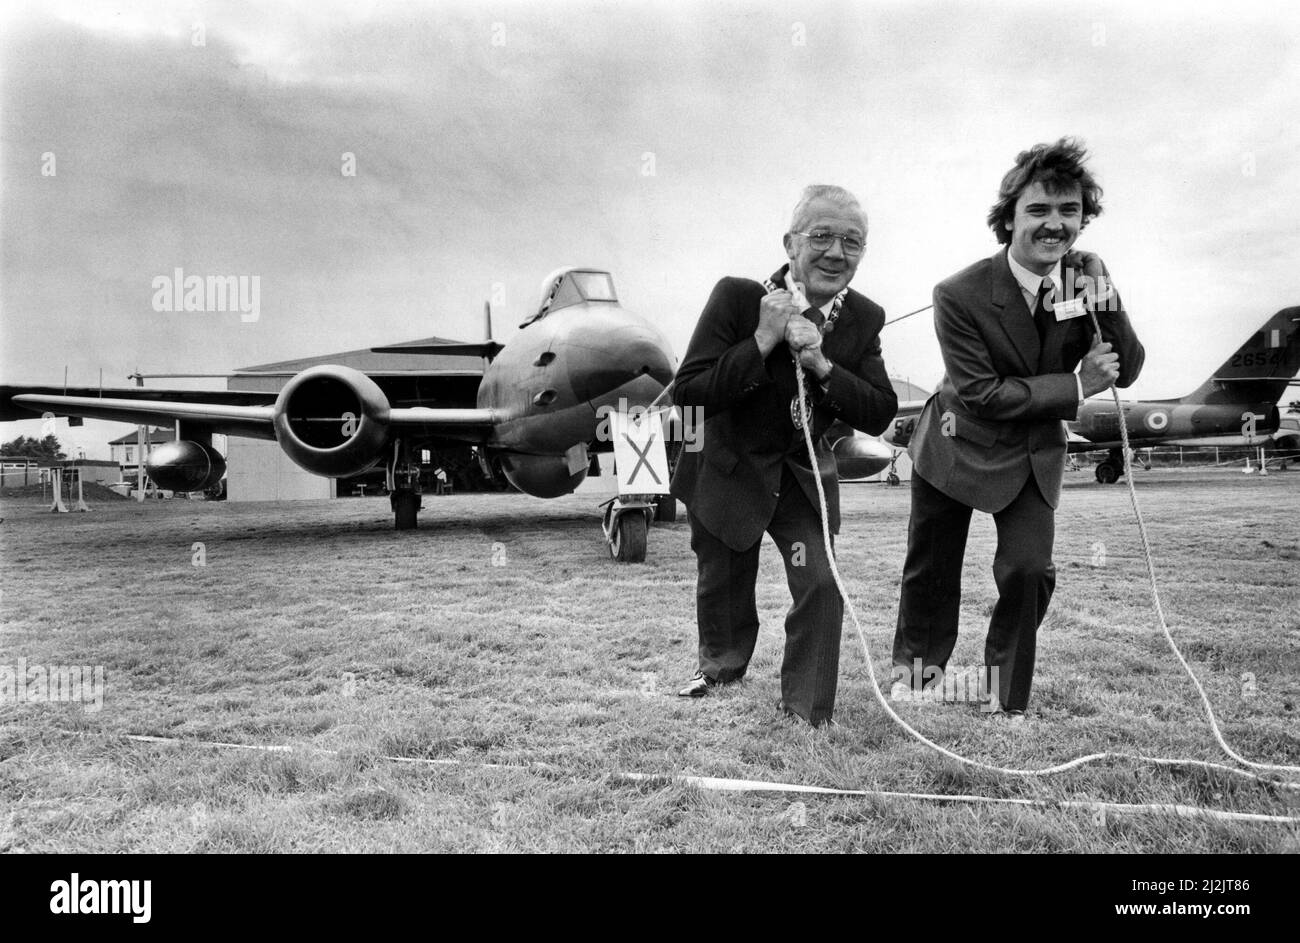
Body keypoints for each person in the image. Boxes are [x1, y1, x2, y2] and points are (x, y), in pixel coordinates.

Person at [891, 138, 1145, 716]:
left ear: (1083, 219)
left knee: (1029, 569)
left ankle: (1004, 693)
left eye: (1069, 211)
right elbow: (981, 392)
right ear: (1008, 219)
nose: (1054, 225)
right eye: (1038, 210)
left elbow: (1125, 369)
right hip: (956, 442)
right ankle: (919, 677)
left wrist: (1105, 293)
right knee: (932, 568)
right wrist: (1077, 386)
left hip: (1032, 451)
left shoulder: (1086, 286)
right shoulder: (957, 293)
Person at [671, 184, 898, 727]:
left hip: (799, 475)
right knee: (724, 576)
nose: (836, 252)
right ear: (790, 243)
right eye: (821, 236)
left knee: (820, 581)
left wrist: (823, 366)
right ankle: (721, 669)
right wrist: (761, 341)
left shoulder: (864, 317)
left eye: (853, 241)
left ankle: (807, 708)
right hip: (727, 468)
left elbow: (879, 409)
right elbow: (690, 391)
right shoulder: (736, 297)